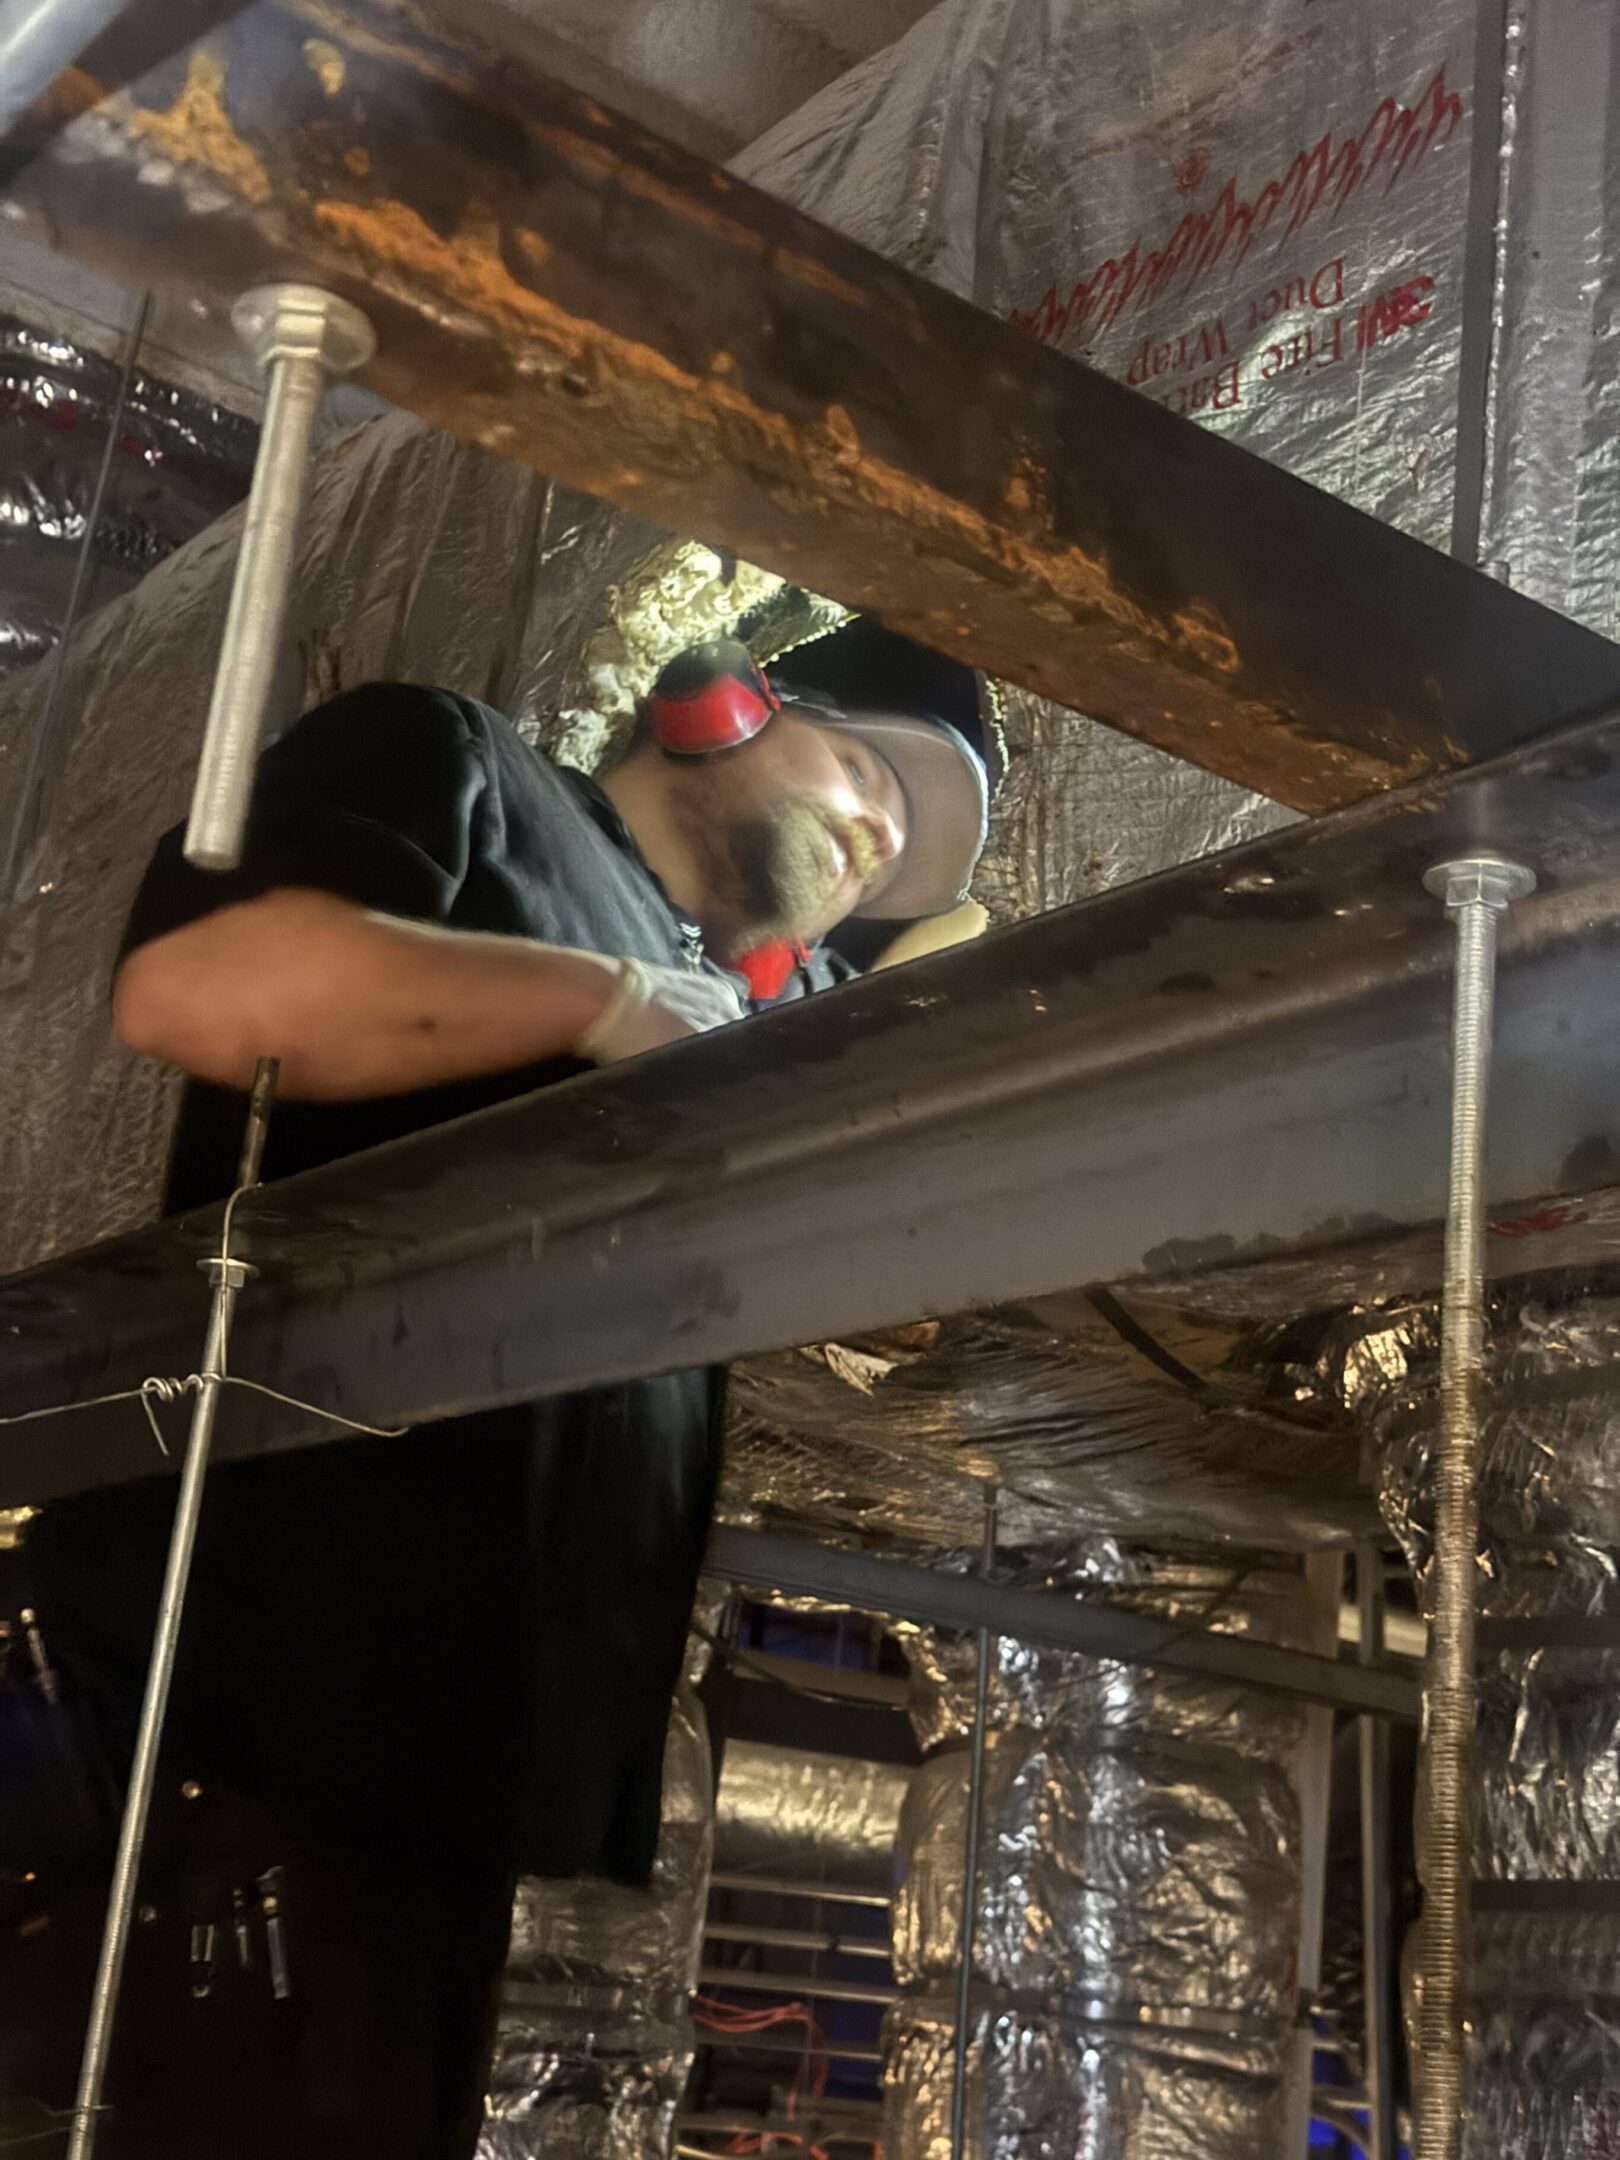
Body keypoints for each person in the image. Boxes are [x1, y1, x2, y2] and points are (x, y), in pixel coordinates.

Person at [3, 636, 988, 2160]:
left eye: (894, 859)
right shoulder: (453, 756)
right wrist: (602, 999)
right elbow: (200, 985)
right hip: (223, 1705)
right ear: (722, 702)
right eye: (868, 773)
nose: (877, 840)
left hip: (439, 1798)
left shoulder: (718, 1031)